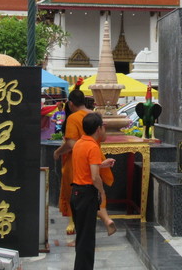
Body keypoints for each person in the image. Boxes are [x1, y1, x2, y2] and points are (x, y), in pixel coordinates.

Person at [53, 84, 115, 237]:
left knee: (73, 191)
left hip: (77, 160)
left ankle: (73, 222)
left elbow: (70, 144)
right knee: (97, 192)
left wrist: (58, 152)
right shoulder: (95, 116)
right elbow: (103, 137)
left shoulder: (73, 118)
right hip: (95, 157)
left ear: (70, 104)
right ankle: (106, 219)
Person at [70, 113, 116, 270]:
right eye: (103, 126)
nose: (104, 130)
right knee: (87, 240)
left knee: (82, 238)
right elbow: (95, 177)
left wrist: (102, 164)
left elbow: (85, 165)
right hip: (86, 195)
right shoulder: (93, 146)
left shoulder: (80, 143)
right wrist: (101, 191)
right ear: (98, 129)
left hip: (76, 193)